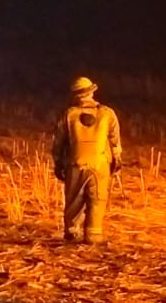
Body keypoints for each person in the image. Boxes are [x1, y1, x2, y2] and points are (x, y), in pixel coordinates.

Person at [51, 76, 123, 244]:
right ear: (92, 91)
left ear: (75, 96)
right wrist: (117, 158)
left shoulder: (69, 115)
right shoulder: (107, 113)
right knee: (98, 198)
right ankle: (93, 235)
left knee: (74, 199)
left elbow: (58, 143)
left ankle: (72, 232)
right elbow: (115, 141)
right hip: (100, 164)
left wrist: (58, 163)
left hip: (75, 163)